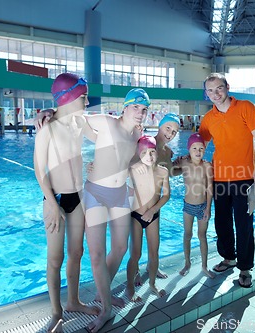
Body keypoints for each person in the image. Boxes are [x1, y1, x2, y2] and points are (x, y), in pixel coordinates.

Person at [33, 73, 99, 333]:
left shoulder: (78, 122)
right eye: (83, 96)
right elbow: (39, 169)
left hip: (78, 196)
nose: (87, 100)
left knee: (77, 253)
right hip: (56, 198)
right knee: (55, 258)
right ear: (69, 97)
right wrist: (50, 202)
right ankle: (56, 312)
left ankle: (72, 301)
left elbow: (101, 135)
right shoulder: (47, 128)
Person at [83, 88, 149, 333]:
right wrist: (51, 112)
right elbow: (76, 120)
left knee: (120, 248)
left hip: (120, 193)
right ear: (125, 107)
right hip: (96, 194)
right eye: (136, 107)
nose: (140, 113)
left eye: (144, 110)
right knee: (97, 254)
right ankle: (107, 308)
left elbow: (127, 159)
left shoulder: (136, 134)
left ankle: (103, 295)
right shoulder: (107, 121)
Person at [199, 72, 255, 288]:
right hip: (219, 177)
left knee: (244, 224)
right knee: (222, 222)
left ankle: (245, 268)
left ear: (227, 87)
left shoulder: (245, 107)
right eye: (210, 90)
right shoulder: (209, 118)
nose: (215, 94)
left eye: (219, 88)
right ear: (206, 94)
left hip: (244, 177)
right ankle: (229, 258)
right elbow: (200, 144)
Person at [132, 113, 180, 283]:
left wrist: (184, 166)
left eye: (174, 132)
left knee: (154, 244)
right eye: (168, 128)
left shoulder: (168, 152)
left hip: (155, 205)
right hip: (137, 207)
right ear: (160, 126)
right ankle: (135, 270)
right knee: (135, 247)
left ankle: (152, 267)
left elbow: (168, 175)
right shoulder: (143, 143)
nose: (170, 133)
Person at [126, 135, 170, 301]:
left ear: (157, 153)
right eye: (144, 152)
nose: (149, 156)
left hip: (153, 215)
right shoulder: (134, 168)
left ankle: (152, 284)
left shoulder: (163, 172)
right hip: (135, 216)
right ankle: (130, 287)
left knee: (154, 251)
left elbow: (166, 195)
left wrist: (153, 210)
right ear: (139, 154)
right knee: (135, 254)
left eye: (152, 152)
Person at [172, 133, 214, 278]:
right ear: (189, 150)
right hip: (188, 206)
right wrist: (174, 161)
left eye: (201, 148)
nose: (198, 151)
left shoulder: (207, 166)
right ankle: (187, 263)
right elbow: (170, 172)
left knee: (202, 236)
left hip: (202, 206)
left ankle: (204, 266)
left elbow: (210, 188)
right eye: (194, 148)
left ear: (204, 150)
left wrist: (208, 208)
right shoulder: (184, 163)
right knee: (187, 235)